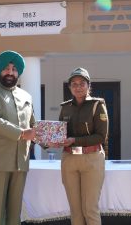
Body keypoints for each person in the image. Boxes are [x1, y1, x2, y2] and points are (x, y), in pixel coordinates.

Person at [0, 50, 36, 225]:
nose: (10, 72)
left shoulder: (26, 96)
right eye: (6, 69)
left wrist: (49, 138)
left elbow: (33, 124)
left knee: (15, 211)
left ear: (18, 73)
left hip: (21, 160)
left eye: (14, 69)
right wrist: (22, 134)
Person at [48, 67, 108, 225]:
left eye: (82, 83)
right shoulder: (65, 107)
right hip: (69, 159)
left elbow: (101, 137)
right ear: (69, 87)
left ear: (89, 85)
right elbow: (61, 134)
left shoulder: (97, 105)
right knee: (75, 210)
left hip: (92, 159)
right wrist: (51, 141)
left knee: (90, 209)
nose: (78, 87)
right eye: (74, 84)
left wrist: (74, 140)